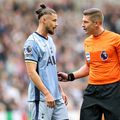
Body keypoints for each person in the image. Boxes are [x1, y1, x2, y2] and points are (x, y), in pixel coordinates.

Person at [58, 8, 120, 120]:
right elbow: (88, 66)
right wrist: (70, 76)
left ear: (97, 23)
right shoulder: (87, 42)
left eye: (86, 22)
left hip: (113, 89)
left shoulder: (115, 39)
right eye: (82, 21)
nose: (82, 25)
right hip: (93, 90)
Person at [23, 4, 69, 120]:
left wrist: (60, 90)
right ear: (43, 20)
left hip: (56, 97)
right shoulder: (32, 43)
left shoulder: (50, 40)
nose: (56, 24)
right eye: (54, 20)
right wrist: (47, 94)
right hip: (42, 99)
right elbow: (31, 72)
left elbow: (51, 69)